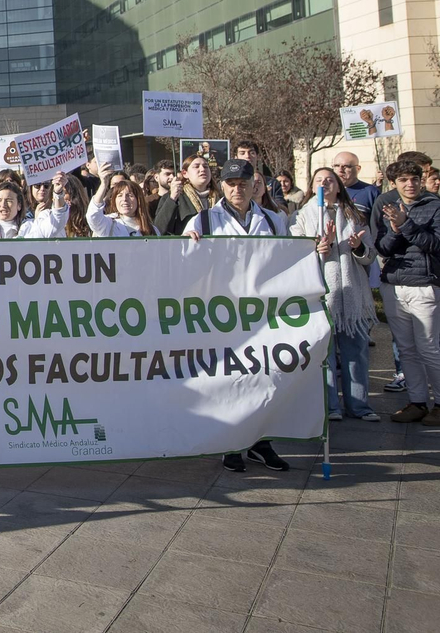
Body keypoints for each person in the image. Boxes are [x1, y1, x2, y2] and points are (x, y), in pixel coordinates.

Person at [183, 159, 290, 471]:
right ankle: (230, 443)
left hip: (262, 312)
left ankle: (260, 442)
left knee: (263, 377)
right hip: (222, 312)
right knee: (229, 378)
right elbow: (184, 265)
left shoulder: (272, 220)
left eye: (243, 183)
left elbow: (285, 259)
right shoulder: (203, 220)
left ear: (254, 184)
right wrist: (189, 247)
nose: (237, 189)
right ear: (222, 186)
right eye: (231, 184)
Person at [292, 168, 379, 422]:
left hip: (352, 296)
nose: (325, 184)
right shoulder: (300, 216)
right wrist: (321, 246)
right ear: (312, 187)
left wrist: (358, 247)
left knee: (356, 352)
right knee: (325, 354)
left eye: (330, 180)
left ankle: (360, 406)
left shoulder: (355, 215)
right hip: (321, 294)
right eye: (319, 180)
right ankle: (330, 406)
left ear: (339, 186)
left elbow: (370, 257)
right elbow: (294, 253)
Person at [371, 159, 440, 424]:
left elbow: (434, 244)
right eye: (403, 180)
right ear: (393, 183)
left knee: (429, 348)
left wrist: (406, 224)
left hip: (424, 286)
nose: (410, 184)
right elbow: (383, 248)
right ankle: (417, 402)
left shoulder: (434, 205)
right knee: (406, 349)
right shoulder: (386, 206)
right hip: (394, 285)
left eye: (414, 179)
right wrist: (396, 229)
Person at [153, 155, 217, 235]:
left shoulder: (221, 197)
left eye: (205, 166)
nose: (202, 169)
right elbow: (159, 229)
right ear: (185, 173)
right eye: (196, 166)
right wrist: (172, 198)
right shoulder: (176, 197)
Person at [87, 173, 155, 237]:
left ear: (138, 200)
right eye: (120, 195)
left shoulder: (152, 229)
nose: (124, 199)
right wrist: (103, 184)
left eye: (130, 195)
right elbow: (93, 216)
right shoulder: (109, 224)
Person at [29, 172, 92, 238]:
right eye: (56, 193)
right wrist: (58, 194)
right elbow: (56, 222)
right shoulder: (45, 216)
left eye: (64, 193)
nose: (62, 198)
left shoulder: (87, 219)